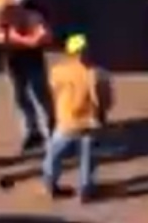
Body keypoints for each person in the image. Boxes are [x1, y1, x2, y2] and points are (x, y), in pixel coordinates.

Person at [44, 34, 113, 202]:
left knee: (53, 155)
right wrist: (102, 114)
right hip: (90, 122)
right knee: (88, 158)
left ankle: (50, 184)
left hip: (67, 122)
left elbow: (52, 92)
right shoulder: (98, 73)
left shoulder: (58, 72)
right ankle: (85, 190)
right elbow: (106, 100)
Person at [0, 0, 55, 154]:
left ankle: (50, 130)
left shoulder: (38, 9)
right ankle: (31, 131)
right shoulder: (6, 9)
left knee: (40, 95)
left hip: (32, 58)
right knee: (21, 97)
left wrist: (16, 37)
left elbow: (45, 36)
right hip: (13, 59)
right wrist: (24, 39)